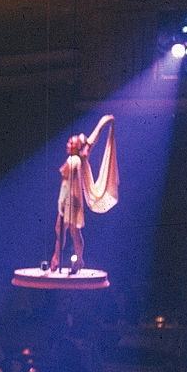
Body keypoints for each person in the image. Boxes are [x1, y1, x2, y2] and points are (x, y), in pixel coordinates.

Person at [50, 114, 118, 273]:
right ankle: (56, 257)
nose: (67, 144)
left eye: (70, 142)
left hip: (72, 202)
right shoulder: (72, 159)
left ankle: (78, 259)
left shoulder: (78, 159)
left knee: (73, 231)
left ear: (77, 146)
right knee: (60, 229)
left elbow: (93, 137)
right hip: (65, 201)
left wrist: (106, 120)